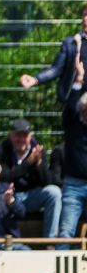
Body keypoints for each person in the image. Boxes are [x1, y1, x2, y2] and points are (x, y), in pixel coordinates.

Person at [0, 119, 61, 239]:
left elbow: (46, 181)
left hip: (30, 196)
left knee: (54, 192)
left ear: (30, 136)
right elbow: (5, 177)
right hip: (9, 197)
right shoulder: (1, 150)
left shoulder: (38, 150)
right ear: (11, 135)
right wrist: (28, 163)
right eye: (17, 135)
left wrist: (39, 164)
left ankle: (50, 241)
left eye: (25, 135)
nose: (21, 139)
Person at [19, 2, 87, 103]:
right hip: (74, 103)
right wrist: (35, 79)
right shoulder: (72, 44)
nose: (85, 19)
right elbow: (56, 69)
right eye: (84, 15)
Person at [57, 53, 87, 248]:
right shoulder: (73, 125)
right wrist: (78, 80)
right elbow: (69, 108)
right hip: (73, 186)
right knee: (66, 231)